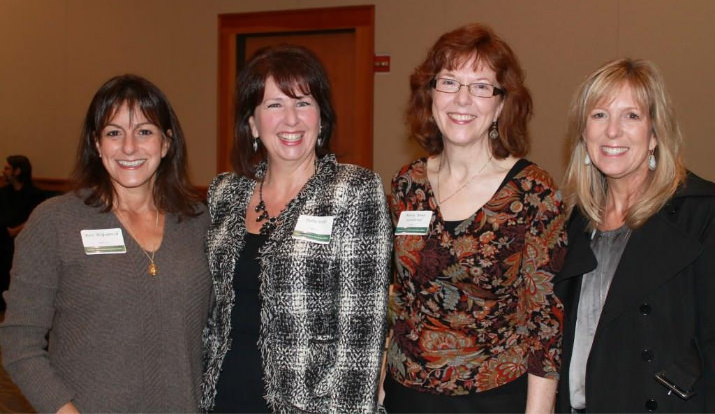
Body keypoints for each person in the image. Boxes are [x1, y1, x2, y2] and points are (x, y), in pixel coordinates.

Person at [383, 23, 567, 413]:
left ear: (501, 104)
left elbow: (545, 324)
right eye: (449, 82)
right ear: (430, 94)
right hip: (406, 395)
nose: (462, 100)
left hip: (493, 398)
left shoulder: (533, 192)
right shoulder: (407, 184)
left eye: (481, 86)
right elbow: (401, 297)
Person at [0, 75, 211, 413]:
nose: (129, 147)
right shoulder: (55, 222)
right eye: (114, 133)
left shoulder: (199, 223)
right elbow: (19, 342)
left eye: (144, 131)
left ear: (166, 143)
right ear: (97, 145)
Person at [200, 44, 392, 414]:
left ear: (322, 118)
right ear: (252, 123)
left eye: (303, 103)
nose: (291, 120)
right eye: (274, 105)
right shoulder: (225, 193)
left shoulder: (353, 192)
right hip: (222, 400)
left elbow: (362, 339)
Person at [555, 58, 715, 412]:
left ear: (655, 134)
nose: (612, 131)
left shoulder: (700, 216)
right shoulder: (575, 225)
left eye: (631, 116)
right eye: (599, 115)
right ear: (583, 133)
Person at [0, 155, 46, 311]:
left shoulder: (36, 195)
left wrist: (17, 230)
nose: (3, 172)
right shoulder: (3, 193)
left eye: (7, 168)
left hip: (24, 242)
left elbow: (37, 220)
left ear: (17, 171)